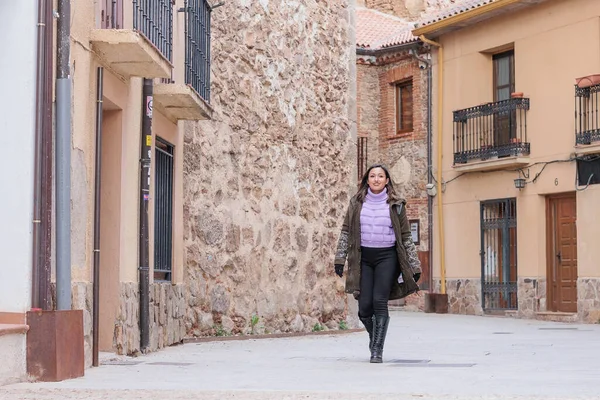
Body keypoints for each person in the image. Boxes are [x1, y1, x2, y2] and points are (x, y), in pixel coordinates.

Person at [334, 163, 421, 363]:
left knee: (379, 301)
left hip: (387, 257)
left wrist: (414, 265)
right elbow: (346, 231)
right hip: (363, 257)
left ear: (387, 180)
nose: (376, 179)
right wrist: (340, 259)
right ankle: (375, 338)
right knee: (364, 307)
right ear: (367, 180)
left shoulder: (397, 205)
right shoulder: (356, 202)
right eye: (372, 176)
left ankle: (377, 350)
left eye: (380, 176)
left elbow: (406, 237)